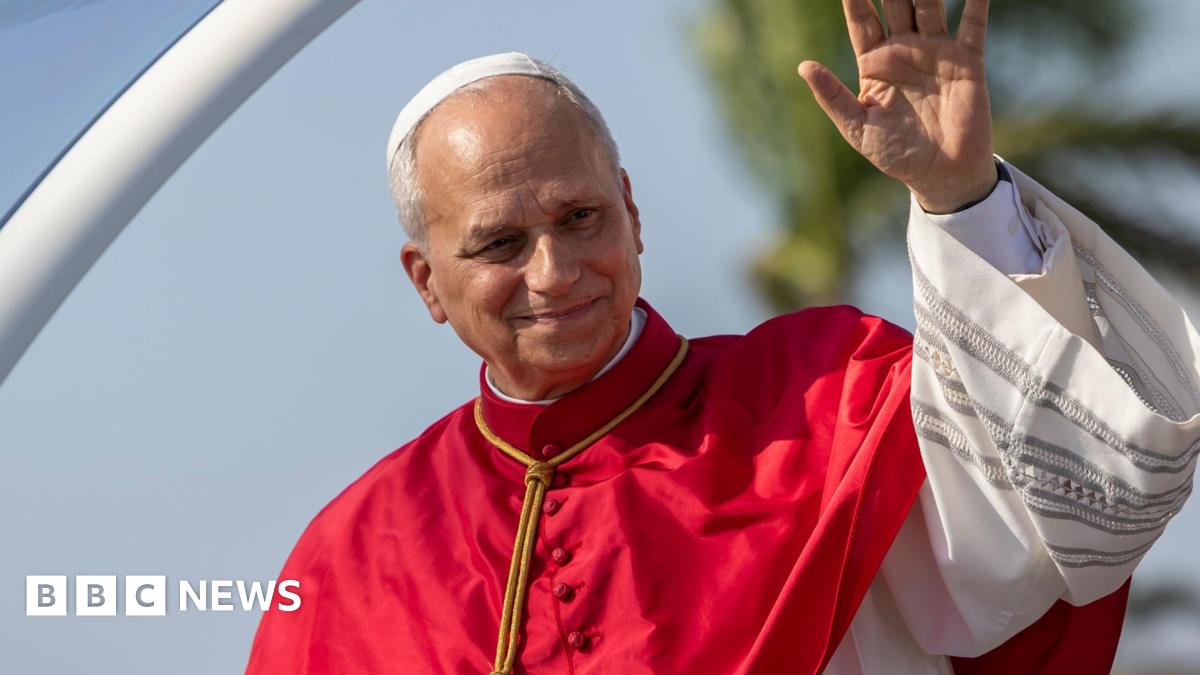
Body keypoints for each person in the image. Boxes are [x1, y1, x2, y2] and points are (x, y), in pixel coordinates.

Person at [247, 0, 1200, 673]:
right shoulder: (351, 557)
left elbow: (1068, 515)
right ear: (428, 283)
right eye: (500, 242)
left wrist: (960, 201)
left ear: (631, 211)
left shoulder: (825, 397)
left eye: (580, 218)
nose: (554, 271)